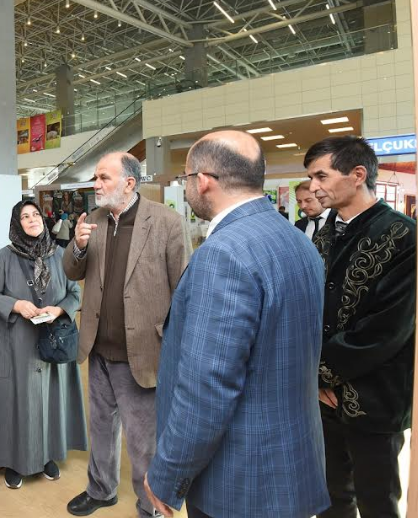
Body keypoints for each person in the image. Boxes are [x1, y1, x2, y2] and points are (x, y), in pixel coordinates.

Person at [144, 130, 330, 518]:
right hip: (291, 464)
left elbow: (207, 387)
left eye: (185, 178)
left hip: (240, 479)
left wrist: (167, 475)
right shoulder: (298, 242)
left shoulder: (223, 255)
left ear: (204, 180)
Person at [62, 152, 191, 518]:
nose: (96, 185)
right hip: (98, 348)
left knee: (142, 442)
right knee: (101, 428)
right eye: (96, 178)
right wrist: (79, 245)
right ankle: (101, 489)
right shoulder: (94, 221)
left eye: (104, 178)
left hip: (142, 352)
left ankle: (149, 505)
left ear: (129, 183)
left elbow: (184, 289)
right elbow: (72, 271)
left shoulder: (166, 222)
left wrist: (175, 348)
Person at [304, 136, 415, 518]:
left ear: (357, 175)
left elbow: (387, 328)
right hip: (322, 402)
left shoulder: (403, 236)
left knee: (377, 501)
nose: (312, 187)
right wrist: (316, 382)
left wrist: (323, 372)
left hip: (375, 399)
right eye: (310, 177)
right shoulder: (323, 235)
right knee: (330, 499)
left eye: (321, 175)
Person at [0, 200, 87, 490]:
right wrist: (15, 304)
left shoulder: (60, 255)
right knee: (17, 399)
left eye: (35, 215)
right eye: (24, 216)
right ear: (17, 224)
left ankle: (47, 455)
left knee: (50, 397)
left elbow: (74, 292)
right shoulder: (4, 256)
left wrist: (58, 310)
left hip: (52, 339)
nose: (32, 220)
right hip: (16, 340)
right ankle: (14, 461)